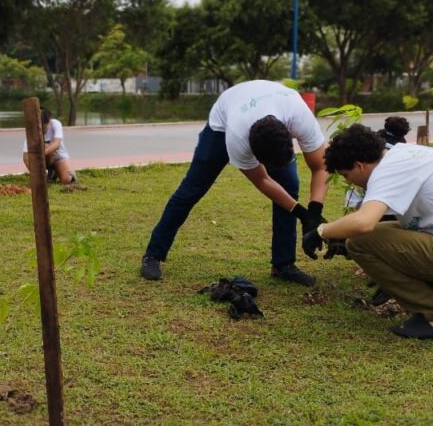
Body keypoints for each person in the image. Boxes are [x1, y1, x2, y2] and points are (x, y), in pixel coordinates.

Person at [302, 124, 433, 339]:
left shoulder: (388, 170)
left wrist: (321, 231)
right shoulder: (402, 156)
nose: (348, 181)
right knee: (376, 237)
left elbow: (364, 222)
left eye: (346, 175)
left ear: (359, 165)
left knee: (360, 243)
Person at [140, 80, 328, 286]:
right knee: (191, 190)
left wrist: (314, 213)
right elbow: (263, 180)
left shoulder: (298, 115)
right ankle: (153, 254)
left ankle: (283, 265)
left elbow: (320, 167)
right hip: (221, 125)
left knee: (290, 185)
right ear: (253, 152)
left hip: (269, 110)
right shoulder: (237, 137)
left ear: (289, 134)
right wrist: (301, 213)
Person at [23, 107, 77, 184]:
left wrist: (41, 153)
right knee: (42, 148)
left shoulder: (56, 124)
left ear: (49, 121)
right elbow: (25, 157)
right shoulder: (32, 130)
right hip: (41, 159)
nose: (41, 131)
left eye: (44, 128)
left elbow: (56, 144)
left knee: (67, 179)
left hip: (58, 156)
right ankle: (47, 175)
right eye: (39, 128)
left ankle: (55, 171)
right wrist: (37, 174)